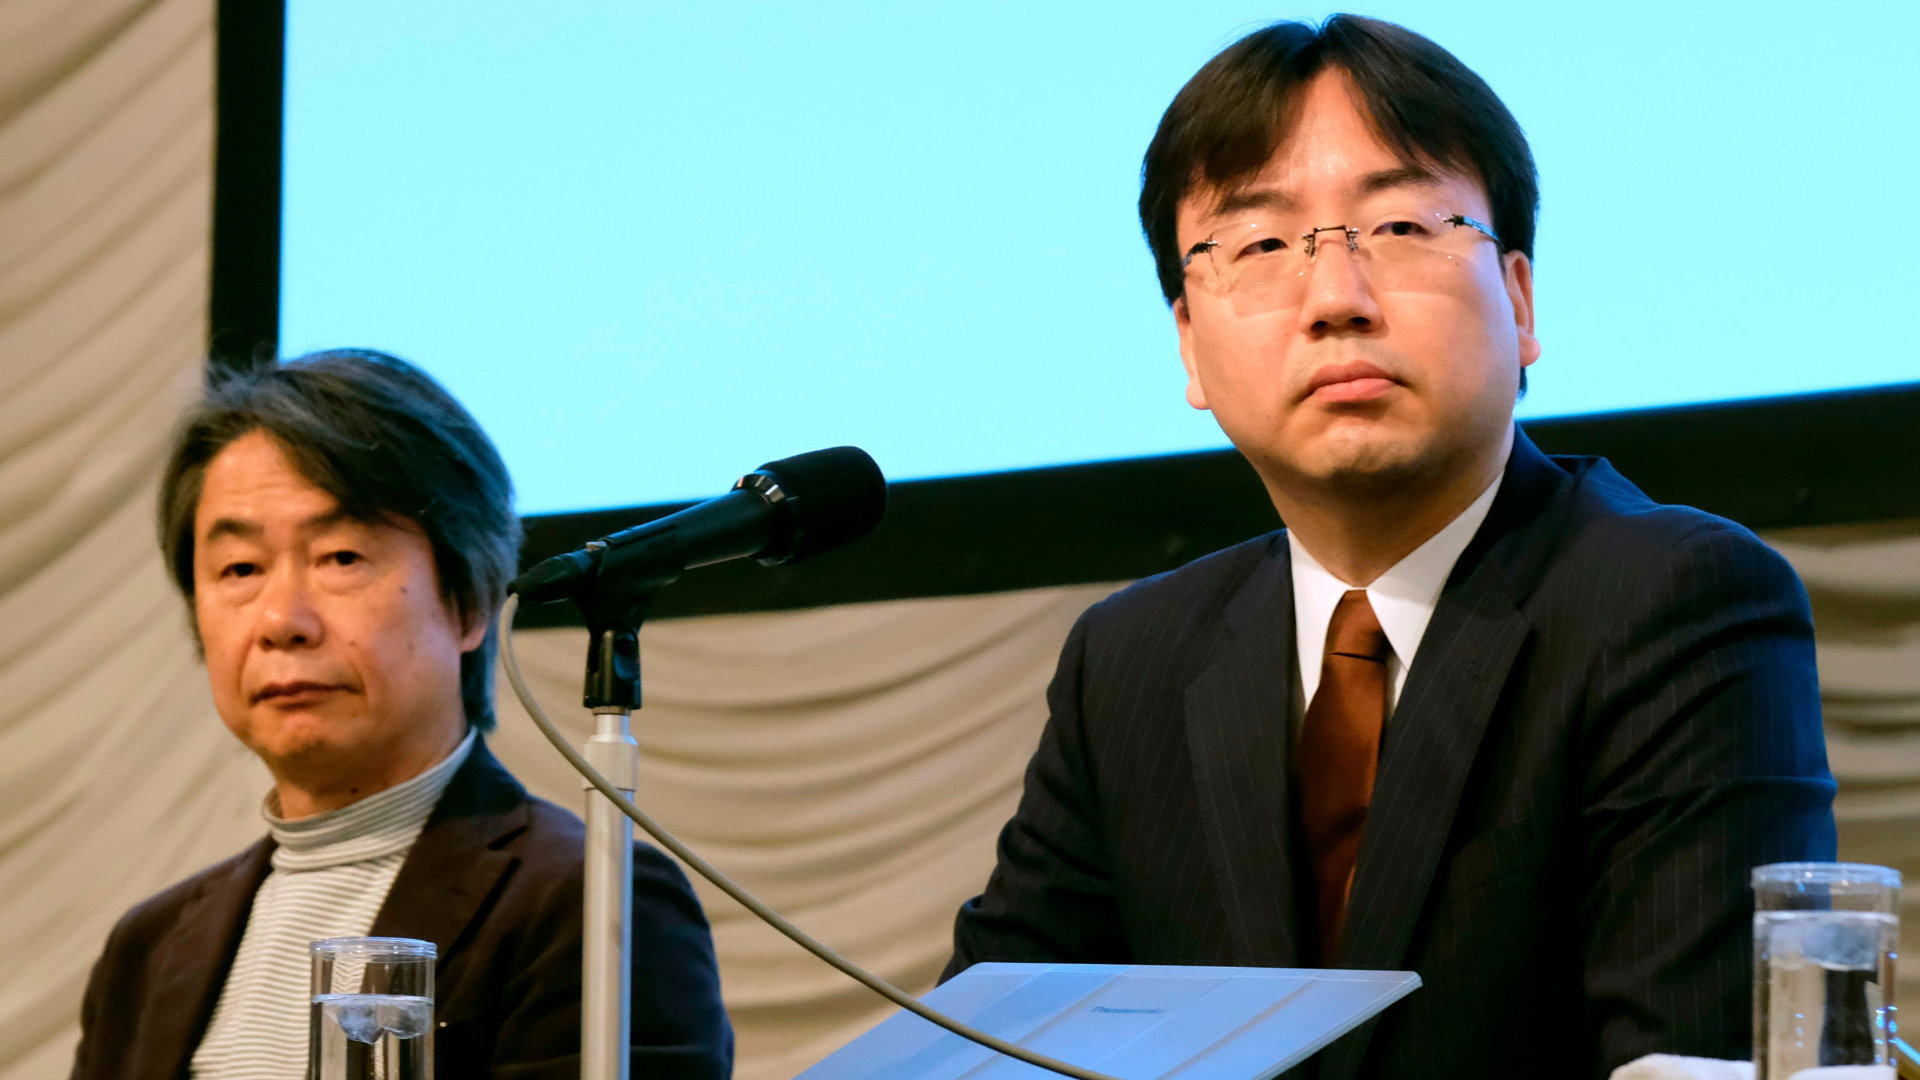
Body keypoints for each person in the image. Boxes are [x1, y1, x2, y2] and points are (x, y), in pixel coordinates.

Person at [943, 15, 1835, 1079]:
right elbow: (989, 1051)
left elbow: (1691, 1054)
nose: (1336, 301)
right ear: (1188, 342)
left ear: (1518, 298)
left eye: (1403, 228)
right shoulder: (1130, 661)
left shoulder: (1676, 601)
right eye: (1263, 245)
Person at [70, 350, 733, 1079]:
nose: (282, 620)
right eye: (240, 570)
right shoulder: (149, 947)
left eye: (343, 557)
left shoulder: (595, 907)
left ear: (471, 600)